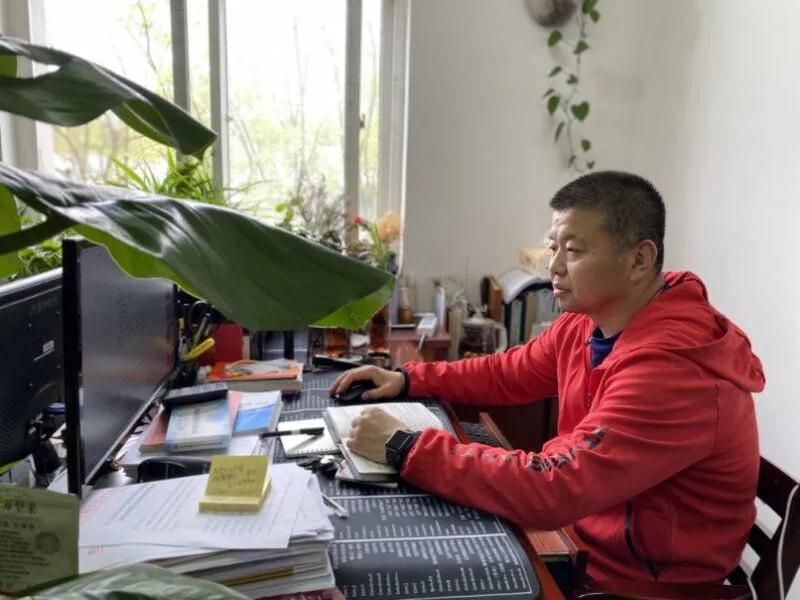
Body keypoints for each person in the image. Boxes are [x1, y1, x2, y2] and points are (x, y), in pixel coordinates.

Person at [329, 171, 764, 583]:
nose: (552, 267)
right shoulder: (589, 319)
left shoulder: (673, 371)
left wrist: (405, 446)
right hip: (581, 533)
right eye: (553, 247)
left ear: (639, 259)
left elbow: (553, 488)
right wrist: (408, 379)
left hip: (636, 581)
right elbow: (508, 372)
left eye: (572, 251)